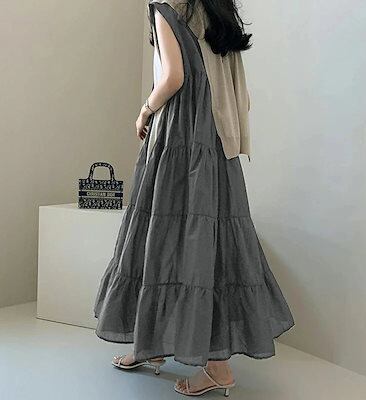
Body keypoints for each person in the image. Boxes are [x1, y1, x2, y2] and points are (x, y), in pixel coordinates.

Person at [93, 0, 295, 396]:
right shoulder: (214, 8)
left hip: (179, 136)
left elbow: (173, 76)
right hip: (214, 138)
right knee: (202, 238)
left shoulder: (166, 7)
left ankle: (216, 368)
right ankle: (152, 344)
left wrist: (145, 110)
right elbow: (236, 86)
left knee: (161, 234)